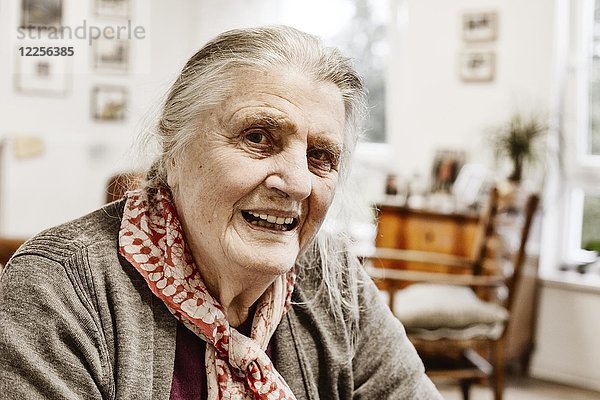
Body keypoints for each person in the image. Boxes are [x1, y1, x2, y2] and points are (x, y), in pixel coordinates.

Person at [0, 26, 442, 399]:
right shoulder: (59, 288)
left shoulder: (332, 279)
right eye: (258, 137)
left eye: (320, 156)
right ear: (173, 148)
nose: (298, 182)